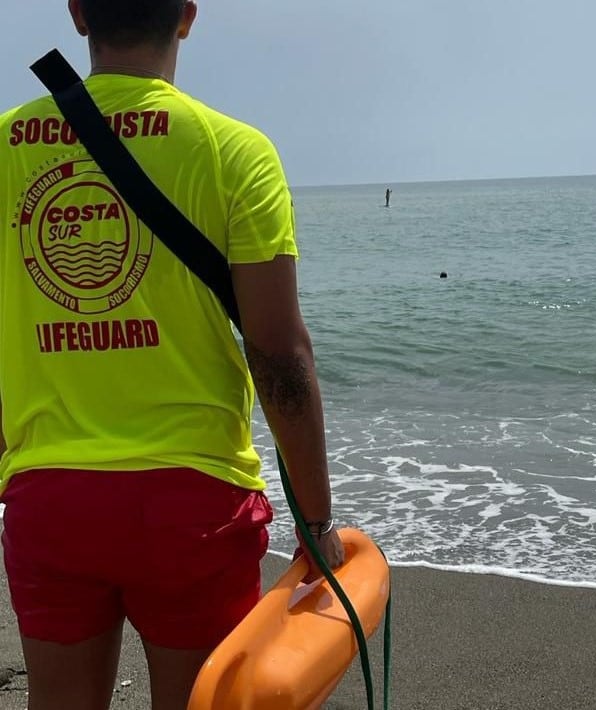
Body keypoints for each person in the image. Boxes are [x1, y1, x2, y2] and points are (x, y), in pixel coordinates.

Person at [0, 1, 344, 709]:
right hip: (195, 506)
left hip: (50, 497)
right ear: (186, 17)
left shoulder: (6, 145)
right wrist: (315, 520)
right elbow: (278, 353)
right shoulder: (235, 150)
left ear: (77, 15)